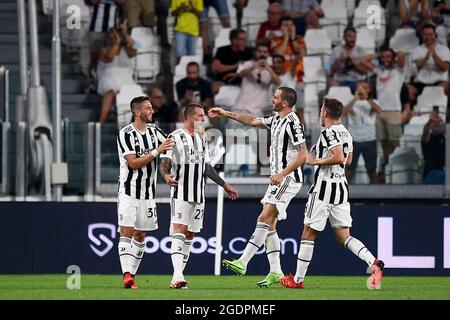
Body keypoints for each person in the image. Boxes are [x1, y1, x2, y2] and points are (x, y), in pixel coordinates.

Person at [280, 98, 385, 289]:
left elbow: (338, 157)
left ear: (325, 113)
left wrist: (314, 161)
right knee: (343, 236)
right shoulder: (346, 132)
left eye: (321, 110)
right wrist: (322, 154)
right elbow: (349, 159)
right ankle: (373, 263)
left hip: (324, 188)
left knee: (308, 233)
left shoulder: (328, 132)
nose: (320, 113)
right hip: (341, 188)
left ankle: (298, 280)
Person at [209, 87, 308, 288]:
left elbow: (303, 154)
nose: (272, 99)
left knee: (264, 218)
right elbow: (252, 121)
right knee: (269, 224)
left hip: (288, 178)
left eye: (276, 97)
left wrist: (283, 173)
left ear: (285, 103)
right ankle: (275, 271)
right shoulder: (276, 119)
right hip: (278, 179)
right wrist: (226, 113)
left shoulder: (293, 122)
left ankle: (243, 262)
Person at [159, 103, 239, 289]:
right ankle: (177, 276)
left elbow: (207, 167)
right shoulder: (175, 137)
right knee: (179, 229)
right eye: (200, 116)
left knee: (190, 234)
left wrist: (225, 185)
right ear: (188, 117)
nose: (204, 119)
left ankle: (178, 276)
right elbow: (164, 163)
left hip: (198, 194)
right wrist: (166, 175)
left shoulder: (202, 138)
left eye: (203, 116)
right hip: (180, 191)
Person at [116, 96, 174, 289]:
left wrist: (165, 174)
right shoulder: (125, 134)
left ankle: (131, 275)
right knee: (126, 231)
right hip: (128, 191)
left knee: (140, 235)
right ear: (137, 112)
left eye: (152, 108)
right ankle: (126, 275)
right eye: (148, 109)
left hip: (148, 193)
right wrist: (157, 151)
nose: (152, 111)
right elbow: (133, 163)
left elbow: (168, 148)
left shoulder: (154, 131)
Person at [97, 23, 137, 123]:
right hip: (109, 79)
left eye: (115, 37)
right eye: (111, 37)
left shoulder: (127, 50)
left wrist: (124, 33)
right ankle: (103, 119)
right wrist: (117, 43)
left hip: (126, 79)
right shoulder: (103, 51)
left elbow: (136, 46)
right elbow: (110, 57)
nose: (113, 39)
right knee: (111, 92)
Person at [342, 82, 381, 184]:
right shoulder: (351, 102)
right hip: (354, 140)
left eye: (364, 87)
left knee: (371, 170)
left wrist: (367, 98)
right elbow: (344, 112)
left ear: (369, 90)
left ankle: (375, 194)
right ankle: (345, 194)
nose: (361, 90)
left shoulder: (374, 102)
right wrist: (355, 98)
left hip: (370, 139)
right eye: (359, 87)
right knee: (350, 169)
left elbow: (378, 110)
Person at [328, 26, 370, 93]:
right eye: (350, 36)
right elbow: (332, 71)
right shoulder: (336, 50)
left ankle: (360, 103)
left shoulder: (361, 51)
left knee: (363, 87)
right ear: (344, 37)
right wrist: (340, 60)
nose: (352, 39)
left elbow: (365, 72)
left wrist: (355, 62)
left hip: (357, 81)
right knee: (333, 85)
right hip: (340, 81)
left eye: (354, 37)